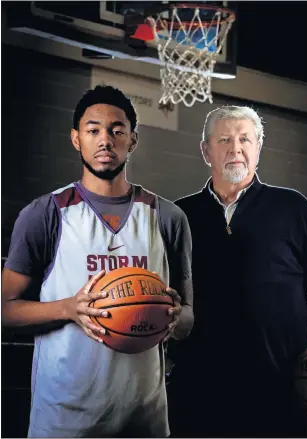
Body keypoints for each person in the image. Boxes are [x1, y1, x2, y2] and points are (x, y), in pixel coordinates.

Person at [1, 85, 194, 438]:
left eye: (117, 130)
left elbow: (188, 317)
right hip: (65, 419)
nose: (105, 140)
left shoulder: (167, 217)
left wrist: (176, 318)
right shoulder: (45, 213)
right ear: (76, 139)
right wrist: (68, 309)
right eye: (93, 130)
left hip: (144, 419)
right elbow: (4, 309)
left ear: (132, 140)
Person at [167, 106, 307, 438]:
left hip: (278, 395)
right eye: (224, 139)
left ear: (258, 148)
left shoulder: (294, 210)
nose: (236, 148)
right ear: (206, 150)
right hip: (198, 393)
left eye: (245, 139)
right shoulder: (179, 215)